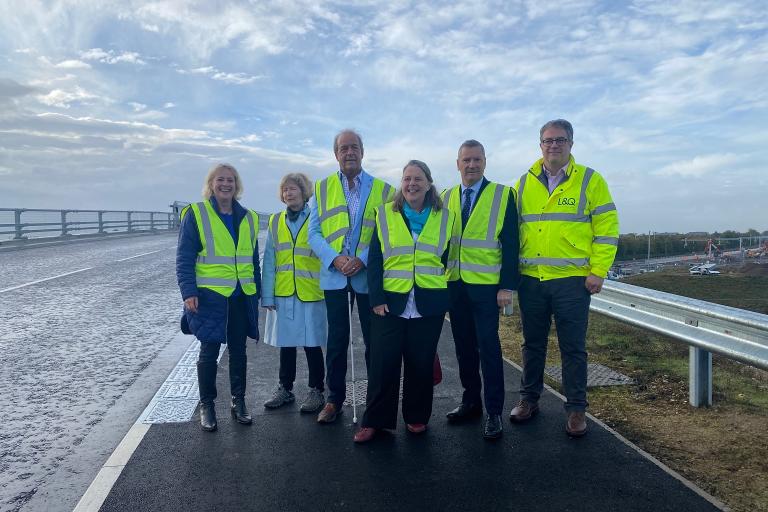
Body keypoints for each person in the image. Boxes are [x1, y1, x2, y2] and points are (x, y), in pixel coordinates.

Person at [511, 119, 619, 437]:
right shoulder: (524, 182)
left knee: (573, 348)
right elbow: (513, 231)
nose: (553, 145)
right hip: (531, 279)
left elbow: (607, 229)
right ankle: (529, 400)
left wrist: (598, 271)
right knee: (532, 344)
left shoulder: (590, 180)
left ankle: (575, 410)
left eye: (560, 140)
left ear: (571, 143)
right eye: (548, 140)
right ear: (540, 145)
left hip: (572, 281)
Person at [353, 160, 455, 443]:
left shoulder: (446, 217)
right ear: (402, 183)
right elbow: (374, 259)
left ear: (429, 183)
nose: (412, 184)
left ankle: (417, 417)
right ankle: (375, 421)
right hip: (389, 303)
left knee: (420, 364)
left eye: (418, 179)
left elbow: (446, 258)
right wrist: (376, 298)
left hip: (429, 304)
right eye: (407, 179)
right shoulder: (385, 214)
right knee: (382, 364)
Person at [308, 129, 395, 424]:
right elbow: (314, 233)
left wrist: (363, 258)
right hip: (335, 275)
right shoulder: (321, 189)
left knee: (375, 340)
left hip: (367, 276)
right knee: (337, 340)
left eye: (354, 147)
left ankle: (376, 399)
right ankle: (334, 400)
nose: (349, 153)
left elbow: (388, 231)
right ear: (336, 154)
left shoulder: (384, 190)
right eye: (343, 148)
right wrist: (335, 258)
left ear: (362, 151)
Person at [442, 140, 519, 440]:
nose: (471, 165)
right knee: (463, 348)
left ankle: (494, 412)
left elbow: (511, 244)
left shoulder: (503, 195)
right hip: (455, 285)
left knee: (488, 348)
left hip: (487, 289)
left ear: (485, 162)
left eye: (477, 160)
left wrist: (507, 286)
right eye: (466, 160)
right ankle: (470, 402)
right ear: (457, 163)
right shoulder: (447, 196)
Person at [176, 163, 261, 432]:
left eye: (231, 180)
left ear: (237, 185)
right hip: (210, 295)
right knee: (209, 351)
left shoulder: (249, 217)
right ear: (211, 184)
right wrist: (188, 291)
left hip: (240, 295)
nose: (226, 184)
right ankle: (207, 405)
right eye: (220, 180)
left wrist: (256, 292)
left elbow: (252, 260)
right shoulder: (196, 214)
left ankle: (239, 401)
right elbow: (184, 257)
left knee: (238, 351)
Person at [261, 173, 327, 413]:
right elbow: (269, 259)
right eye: (285, 190)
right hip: (285, 291)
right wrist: (267, 295)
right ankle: (285, 389)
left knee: (312, 343)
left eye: (293, 189)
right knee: (286, 343)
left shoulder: (316, 218)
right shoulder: (275, 221)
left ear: (304, 192)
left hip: (311, 291)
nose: (289, 193)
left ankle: (317, 390)